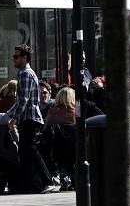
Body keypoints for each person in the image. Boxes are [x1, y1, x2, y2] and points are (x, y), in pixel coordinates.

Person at [7, 44, 55, 194]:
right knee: (25, 152)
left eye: (16, 56)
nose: (13, 59)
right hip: (28, 118)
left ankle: (47, 181)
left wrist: (14, 117)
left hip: (29, 118)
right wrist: (9, 114)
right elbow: (21, 101)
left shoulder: (25, 74)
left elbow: (24, 99)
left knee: (30, 150)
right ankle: (30, 185)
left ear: (25, 58)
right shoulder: (25, 73)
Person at [42, 87, 77, 190]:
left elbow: (46, 127)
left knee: (61, 161)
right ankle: (73, 180)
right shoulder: (76, 112)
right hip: (73, 145)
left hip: (57, 145)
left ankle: (65, 179)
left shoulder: (53, 111)